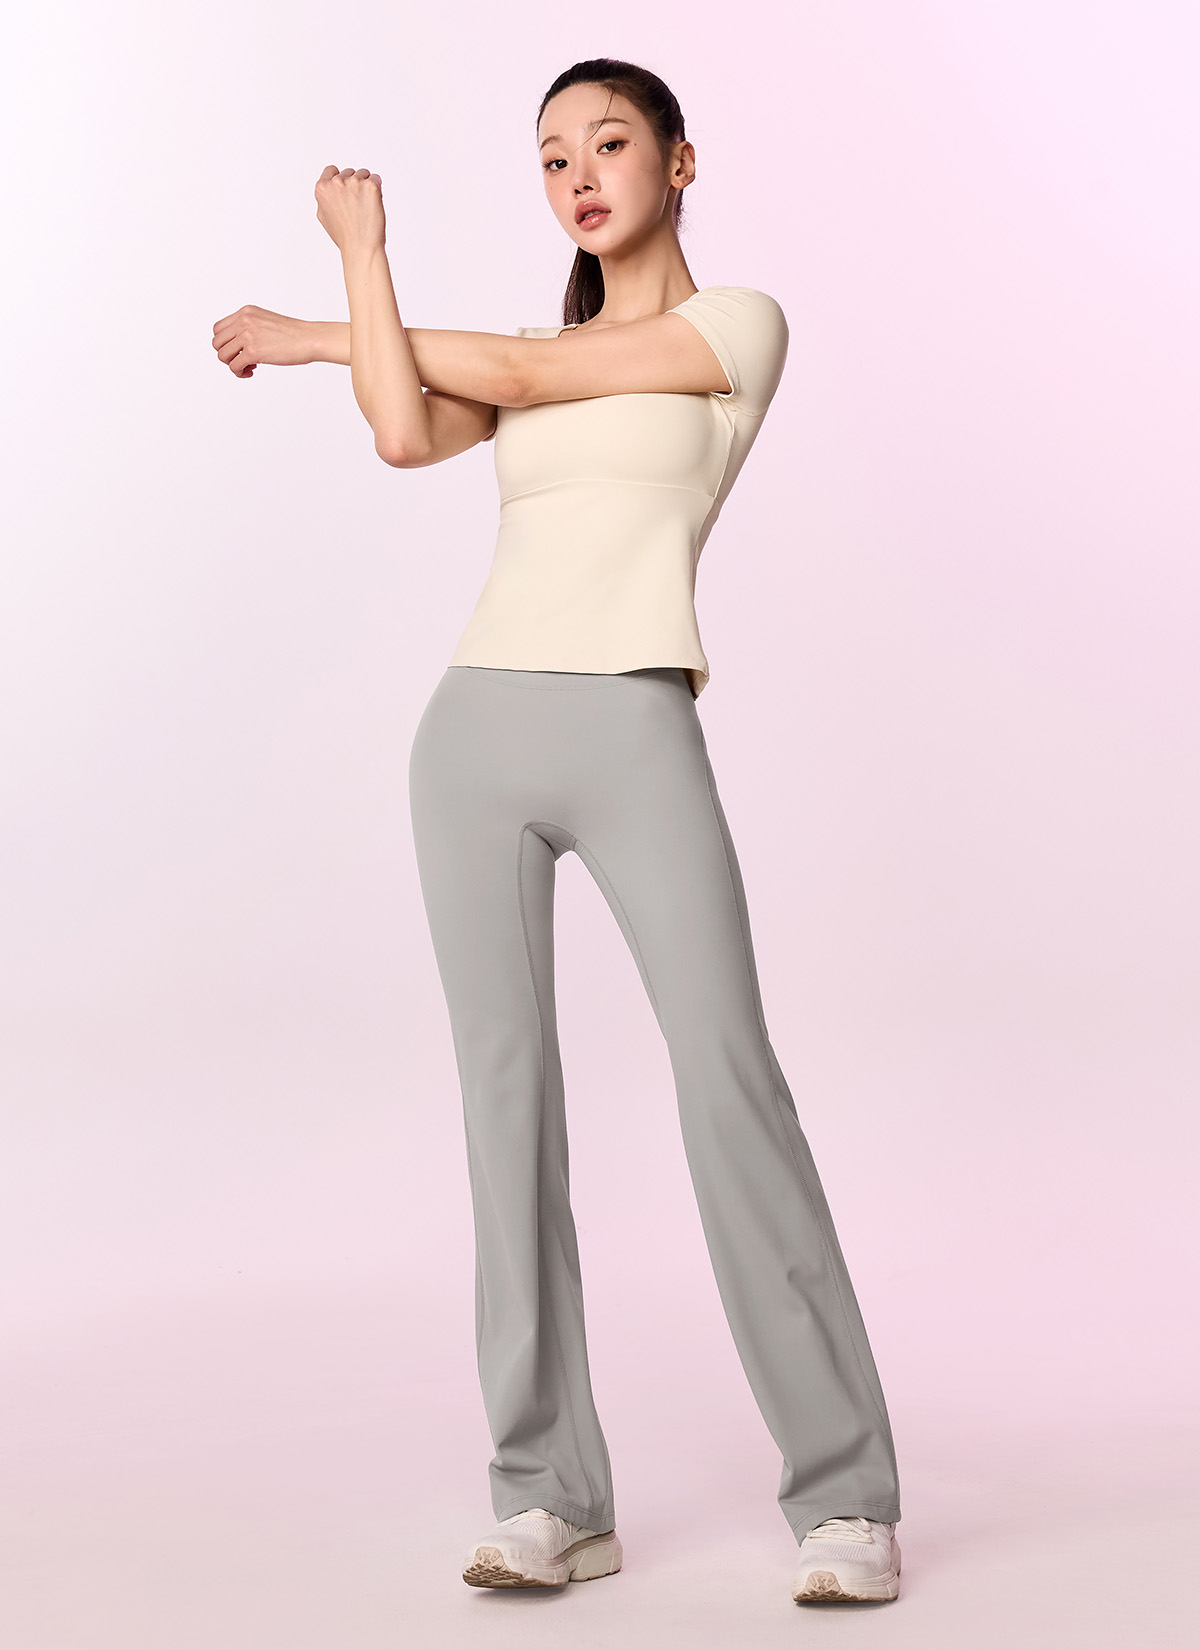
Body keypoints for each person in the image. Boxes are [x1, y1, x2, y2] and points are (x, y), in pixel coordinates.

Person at [212, 56, 903, 1608]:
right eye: (550, 158)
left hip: (633, 727)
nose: (579, 176)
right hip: (474, 736)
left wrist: (319, 326)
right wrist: (366, 262)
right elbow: (406, 431)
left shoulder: (736, 328)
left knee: (729, 1085)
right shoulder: (526, 354)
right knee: (503, 1107)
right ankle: (548, 1495)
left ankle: (846, 1493)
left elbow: (524, 378)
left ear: (679, 162)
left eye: (608, 144)